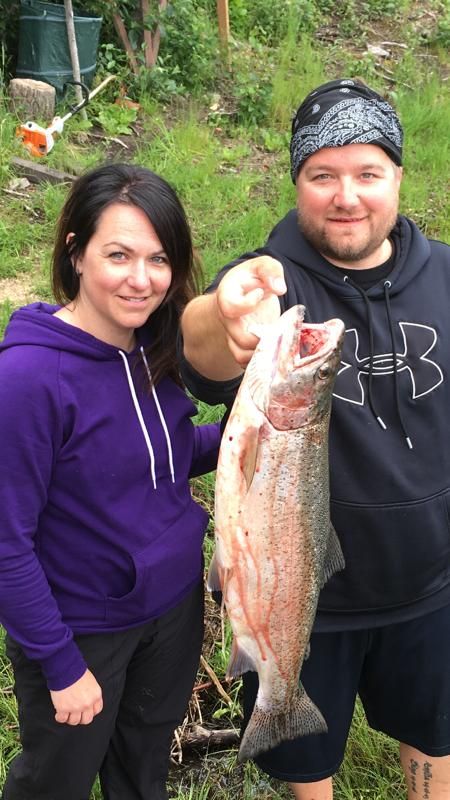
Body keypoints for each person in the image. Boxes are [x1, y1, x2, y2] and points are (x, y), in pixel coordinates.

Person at [179, 79, 450, 799]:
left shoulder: (448, 276)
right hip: (301, 599)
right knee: (306, 764)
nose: (347, 196)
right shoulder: (269, 284)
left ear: (399, 176)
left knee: (434, 740)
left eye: (368, 173)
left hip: (430, 584)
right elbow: (202, 353)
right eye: (322, 174)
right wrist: (221, 315)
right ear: (297, 180)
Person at [0, 163, 221, 800]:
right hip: (83, 630)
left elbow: (160, 457)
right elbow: (7, 542)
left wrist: (247, 434)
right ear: (75, 252)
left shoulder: (153, 346)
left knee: (143, 774)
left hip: (172, 612)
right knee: (55, 782)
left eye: (159, 259)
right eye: (118, 255)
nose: (141, 279)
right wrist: (60, 664)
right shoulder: (28, 380)